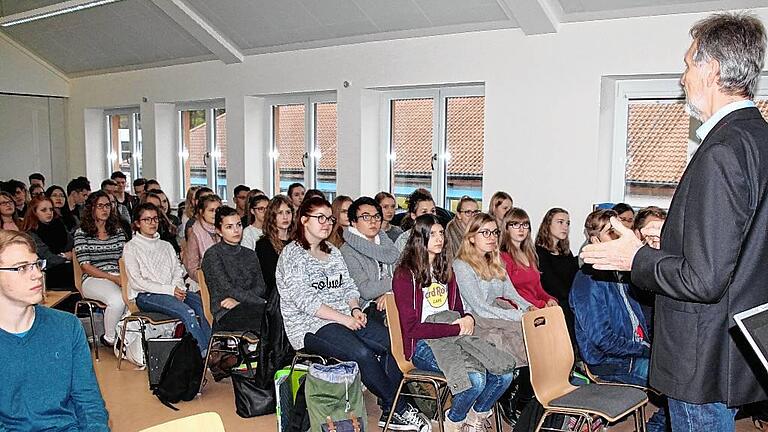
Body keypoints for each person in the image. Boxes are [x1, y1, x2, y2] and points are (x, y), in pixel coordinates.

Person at [582, 12, 768, 430]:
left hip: (700, 357)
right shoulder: (759, 138)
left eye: (687, 64)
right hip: (734, 350)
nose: (683, 77)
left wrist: (637, 258)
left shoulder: (722, 150)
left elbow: (704, 279)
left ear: (711, 69)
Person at [276, 196, 430, 431]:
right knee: (362, 353)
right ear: (304, 220)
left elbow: (349, 287)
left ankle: (390, 410)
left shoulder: (333, 252)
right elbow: (306, 302)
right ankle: (398, 407)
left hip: (345, 317)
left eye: (330, 218)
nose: (327, 223)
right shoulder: (293, 255)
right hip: (310, 325)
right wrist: (345, 319)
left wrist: (355, 308)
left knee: (392, 343)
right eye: (321, 218)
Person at [393, 214, 513, 431]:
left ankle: (474, 419)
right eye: (433, 234)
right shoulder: (406, 274)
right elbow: (411, 328)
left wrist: (467, 319)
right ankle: (454, 421)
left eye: (441, 234)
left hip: (454, 335)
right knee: (475, 381)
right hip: (422, 343)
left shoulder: (446, 268)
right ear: (420, 238)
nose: (439, 239)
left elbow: (458, 309)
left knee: (503, 374)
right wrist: (454, 327)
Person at [0, 230, 109, 431]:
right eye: (22, 268)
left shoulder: (67, 326)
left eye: (36, 264)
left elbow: (88, 400)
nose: (37, 274)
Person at [571, 209, 666, 432]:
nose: (617, 238)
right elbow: (602, 339)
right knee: (672, 380)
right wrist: (645, 349)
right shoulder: (588, 279)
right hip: (607, 361)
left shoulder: (619, 273)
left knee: (681, 373)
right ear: (595, 240)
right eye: (609, 233)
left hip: (630, 352)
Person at [123, 203, 210, 355]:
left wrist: (179, 287)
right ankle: (204, 355)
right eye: (147, 219)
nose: (152, 223)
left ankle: (214, 350)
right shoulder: (131, 247)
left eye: (155, 219)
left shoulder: (166, 245)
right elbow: (137, 281)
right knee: (187, 312)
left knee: (204, 306)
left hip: (173, 291)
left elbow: (178, 270)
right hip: (146, 295)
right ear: (137, 223)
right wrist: (170, 290)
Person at [73, 191, 127, 347]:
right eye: (100, 206)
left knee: (136, 298)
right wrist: (114, 278)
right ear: (91, 209)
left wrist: (121, 277)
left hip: (118, 275)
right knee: (117, 300)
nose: (105, 210)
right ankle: (110, 338)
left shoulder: (117, 232)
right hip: (92, 279)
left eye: (108, 205)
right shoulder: (81, 233)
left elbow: (123, 259)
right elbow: (85, 266)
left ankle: (126, 339)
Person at [201, 206, 267, 333]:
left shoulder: (250, 254)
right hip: (225, 312)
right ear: (219, 231)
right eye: (229, 227)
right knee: (271, 318)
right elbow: (227, 289)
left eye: (239, 225)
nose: (236, 230)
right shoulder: (213, 254)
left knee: (276, 316)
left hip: (249, 306)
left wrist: (243, 303)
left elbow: (260, 286)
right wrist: (261, 302)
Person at [339, 197, 399, 322]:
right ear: (353, 222)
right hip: (363, 310)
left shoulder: (386, 243)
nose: (373, 221)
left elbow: (406, 272)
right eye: (366, 217)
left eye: (376, 216)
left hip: (391, 298)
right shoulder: (348, 251)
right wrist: (398, 283)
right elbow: (366, 290)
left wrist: (391, 293)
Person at [534, 207, 580, 347]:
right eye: (560, 222)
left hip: (569, 303)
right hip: (552, 306)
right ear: (548, 224)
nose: (565, 227)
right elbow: (551, 283)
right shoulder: (539, 252)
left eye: (567, 223)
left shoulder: (566, 252)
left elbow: (575, 279)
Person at [499, 208, 557, 309]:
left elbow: (537, 289)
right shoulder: (503, 257)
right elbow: (509, 294)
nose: (521, 229)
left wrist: (549, 299)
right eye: (515, 224)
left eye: (525, 224)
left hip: (535, 308)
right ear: (506, 228)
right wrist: (540, 304)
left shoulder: (530, 255)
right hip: (518, 310)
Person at [22, 196, 75, 290]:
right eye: (43, 210)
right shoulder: (30, 233)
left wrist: (70, 255)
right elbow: (47, 258)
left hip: (69, 270)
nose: (49, 213)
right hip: (49, 276)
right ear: (34, 212)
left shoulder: (59, 225)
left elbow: (73, 245)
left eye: (51, 209)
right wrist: (65, 256)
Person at [255, 195, 295, 300]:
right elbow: (271, 278)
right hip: (276, 297)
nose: (285, 217)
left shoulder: (297, 242)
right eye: (280, 213)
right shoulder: (263, 245)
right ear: (272, 216)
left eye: (288, 212)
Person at [184, 194, 221, 288]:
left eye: (217, 210)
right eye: (211, 210)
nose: (215, 214)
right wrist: (210, 279)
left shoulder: (225, 228)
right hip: (202, 281)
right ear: (202, 212)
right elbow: (191, 267)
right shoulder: (195, 233)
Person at [444, 196, 479, 264]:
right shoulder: (451, 233)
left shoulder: (478, 229)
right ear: (459, 215)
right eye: (468, 212)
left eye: (475, 212)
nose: (473, 216)